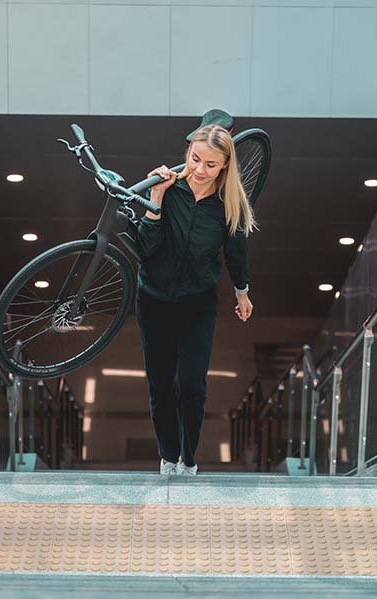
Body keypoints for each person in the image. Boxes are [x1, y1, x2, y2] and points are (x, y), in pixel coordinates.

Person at [136, 124, 256, 476]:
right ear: (187, 154)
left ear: (224, 167)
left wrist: (242, 291)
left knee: (190, 386)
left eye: (210, 165)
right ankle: (168, 456)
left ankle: (188, 459)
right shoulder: (169, 190)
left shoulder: (228, 205)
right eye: (195, 159)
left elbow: (237, 253)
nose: (200, 170)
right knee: (160, 385)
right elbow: (146, 250)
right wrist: (155, 200)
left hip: (196, 305)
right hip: (153, 300)